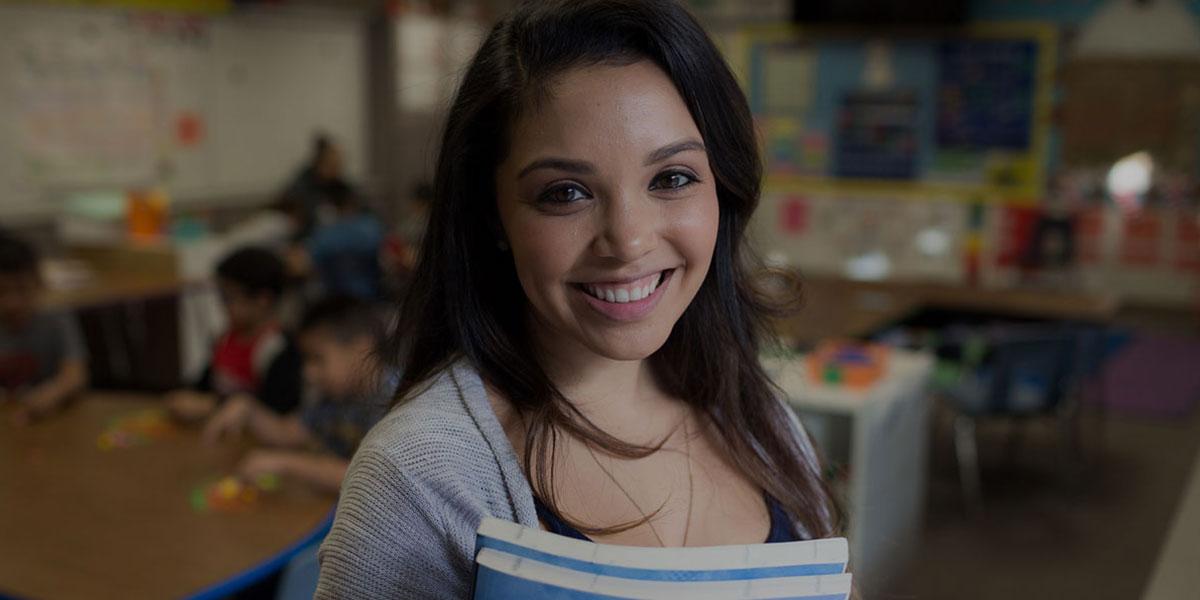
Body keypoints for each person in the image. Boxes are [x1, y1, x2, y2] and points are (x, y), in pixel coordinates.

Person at [316, 1, 839, 597]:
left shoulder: (762, 422)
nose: (629, 240)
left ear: (723, 186)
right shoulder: (422, 475)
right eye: (566, 192)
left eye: (672, 179)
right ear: (493, 216)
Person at [202, 296, 390, 493]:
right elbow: (286, 433)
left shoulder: (392, 400)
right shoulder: (336, 395)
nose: (308, 373)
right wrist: (248, 408)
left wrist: (284, 464)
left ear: (362, 350)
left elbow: (369, 478)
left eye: (318, 359)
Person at [165, 246, 302, 422]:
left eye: (228, 298)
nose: (222, 306)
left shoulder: (279, 348)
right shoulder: (225, 339)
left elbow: (276, 408)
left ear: (263, 300)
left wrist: (211, 406)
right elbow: (203, 385)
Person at [0, 231, 88, 424]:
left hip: (53, 419)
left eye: (22, 289)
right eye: (1, 291)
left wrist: (51, 395)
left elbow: (75, 375)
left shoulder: (55, 316)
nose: (12, 302)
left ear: (38, 282)